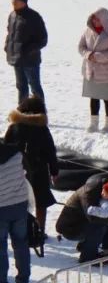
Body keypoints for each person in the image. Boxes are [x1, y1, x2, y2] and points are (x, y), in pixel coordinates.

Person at [4, 96, 59, 234]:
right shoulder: (42, 129)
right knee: (41, 202)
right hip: (39, 170)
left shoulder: (14, 127)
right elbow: (50, 151)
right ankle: (39, 231)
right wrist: (54, 171)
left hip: (16, 170)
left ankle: (20, 230)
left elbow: (5, 150)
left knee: (18, 201)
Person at [55, 177, 108, 263]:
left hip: (81, 222)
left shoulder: (101, 191)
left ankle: (107, 249)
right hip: (70, 229)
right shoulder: (88, 193)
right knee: (100, 226)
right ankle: (88, 257)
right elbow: (92, 218)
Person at [78, 8, 108, 133]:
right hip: (91, 70)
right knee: (94, 97)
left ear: (104, 20)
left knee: (107, 98)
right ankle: (93, 123)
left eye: (98, 19)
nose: (95, 21)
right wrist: (88, 54)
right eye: (94, 18)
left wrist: (97, 57)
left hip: (106, 72)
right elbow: (81, 47)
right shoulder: (87, 32)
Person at [5, 0, 48, 104]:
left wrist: (29, 49)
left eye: (16, 0)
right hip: (17, 58)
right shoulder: (12, 15)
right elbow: (10, 34)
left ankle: (40, 113)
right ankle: (23, 112)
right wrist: (7, 47)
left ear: (23, 2)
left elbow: (43, 39)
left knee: (34, 87)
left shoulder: (34, 16)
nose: (13, 2)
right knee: (21, 86)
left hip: (30, 60)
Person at [0, 142, 31, 283]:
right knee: (21, 244)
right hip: (19, 204)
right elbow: (28, 173)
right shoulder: (17, 154)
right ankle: (23, 281)